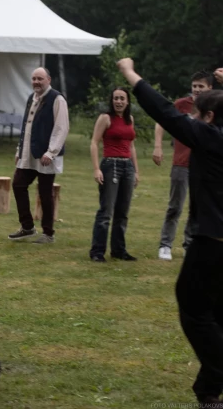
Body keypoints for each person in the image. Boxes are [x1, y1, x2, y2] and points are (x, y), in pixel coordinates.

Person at [118, 58, 223, 408]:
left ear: (207, 118)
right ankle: (209, 393)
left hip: (212, 242)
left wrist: (131, 74)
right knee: (217, 314)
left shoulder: (208, 137)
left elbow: (164, 111)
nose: (191, 118)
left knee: (194, 309)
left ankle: (215, 377)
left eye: (197, 113)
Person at [153, 71, 213, 260]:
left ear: (209, 88)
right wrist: (158, 146)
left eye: (201, 86)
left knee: (198, 207)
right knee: (175, 206)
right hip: (182, 163)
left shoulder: (215, 106)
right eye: (194, 86)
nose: (196, 89)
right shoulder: (182, 105)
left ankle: (189, 244)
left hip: (205, 164)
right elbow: (162, 121)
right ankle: (165, 245)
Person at [8, 67, 69, 244]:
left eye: (40, 79)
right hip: (29, 153)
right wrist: (19, 150)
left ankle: (48, 233)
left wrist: (51, 152)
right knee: (18, 184)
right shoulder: (31, 98)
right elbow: (26, 126)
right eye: (34, 78)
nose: (36, 82)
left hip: (46, 155)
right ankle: (27, 227)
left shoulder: (57, 99)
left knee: (45, 193)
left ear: (48, 80)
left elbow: (61, 127)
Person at [89, 87, 140, 262]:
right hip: (111, 165)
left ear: (127, 101)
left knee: (122, 212)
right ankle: (97, 251)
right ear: (112, 101)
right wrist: (97, 168)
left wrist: (136, 171)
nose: (118, 102)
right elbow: (94, 143)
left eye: (122, 98)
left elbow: (131, 146)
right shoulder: (105, 118)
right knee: (106, 211)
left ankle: (119, 250)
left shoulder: (129, 119)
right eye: (116, 98)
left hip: (127, 167)